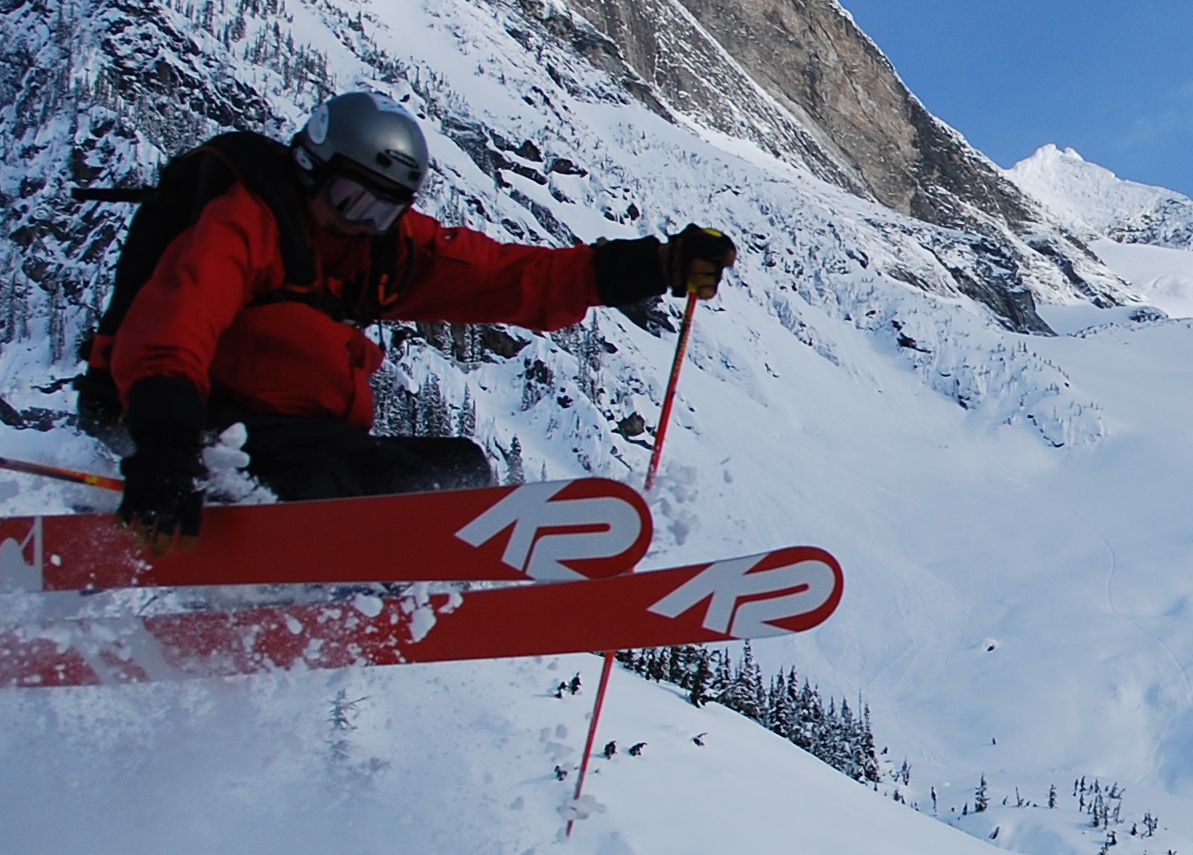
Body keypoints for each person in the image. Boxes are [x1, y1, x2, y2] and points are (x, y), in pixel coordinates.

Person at [96, 89, 734, 537]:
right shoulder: (250, 222)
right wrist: (166, 450)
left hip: (301, 443)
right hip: (210, 433)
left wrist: (656, 265)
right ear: (311, 169)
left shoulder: (379, 253)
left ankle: (376, 584)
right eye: (350, 200)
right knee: (370, 483)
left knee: (455, 472)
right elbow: (176, 326)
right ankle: (276, 532)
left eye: (382, 210)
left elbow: (509, 279)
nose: (361, 223)